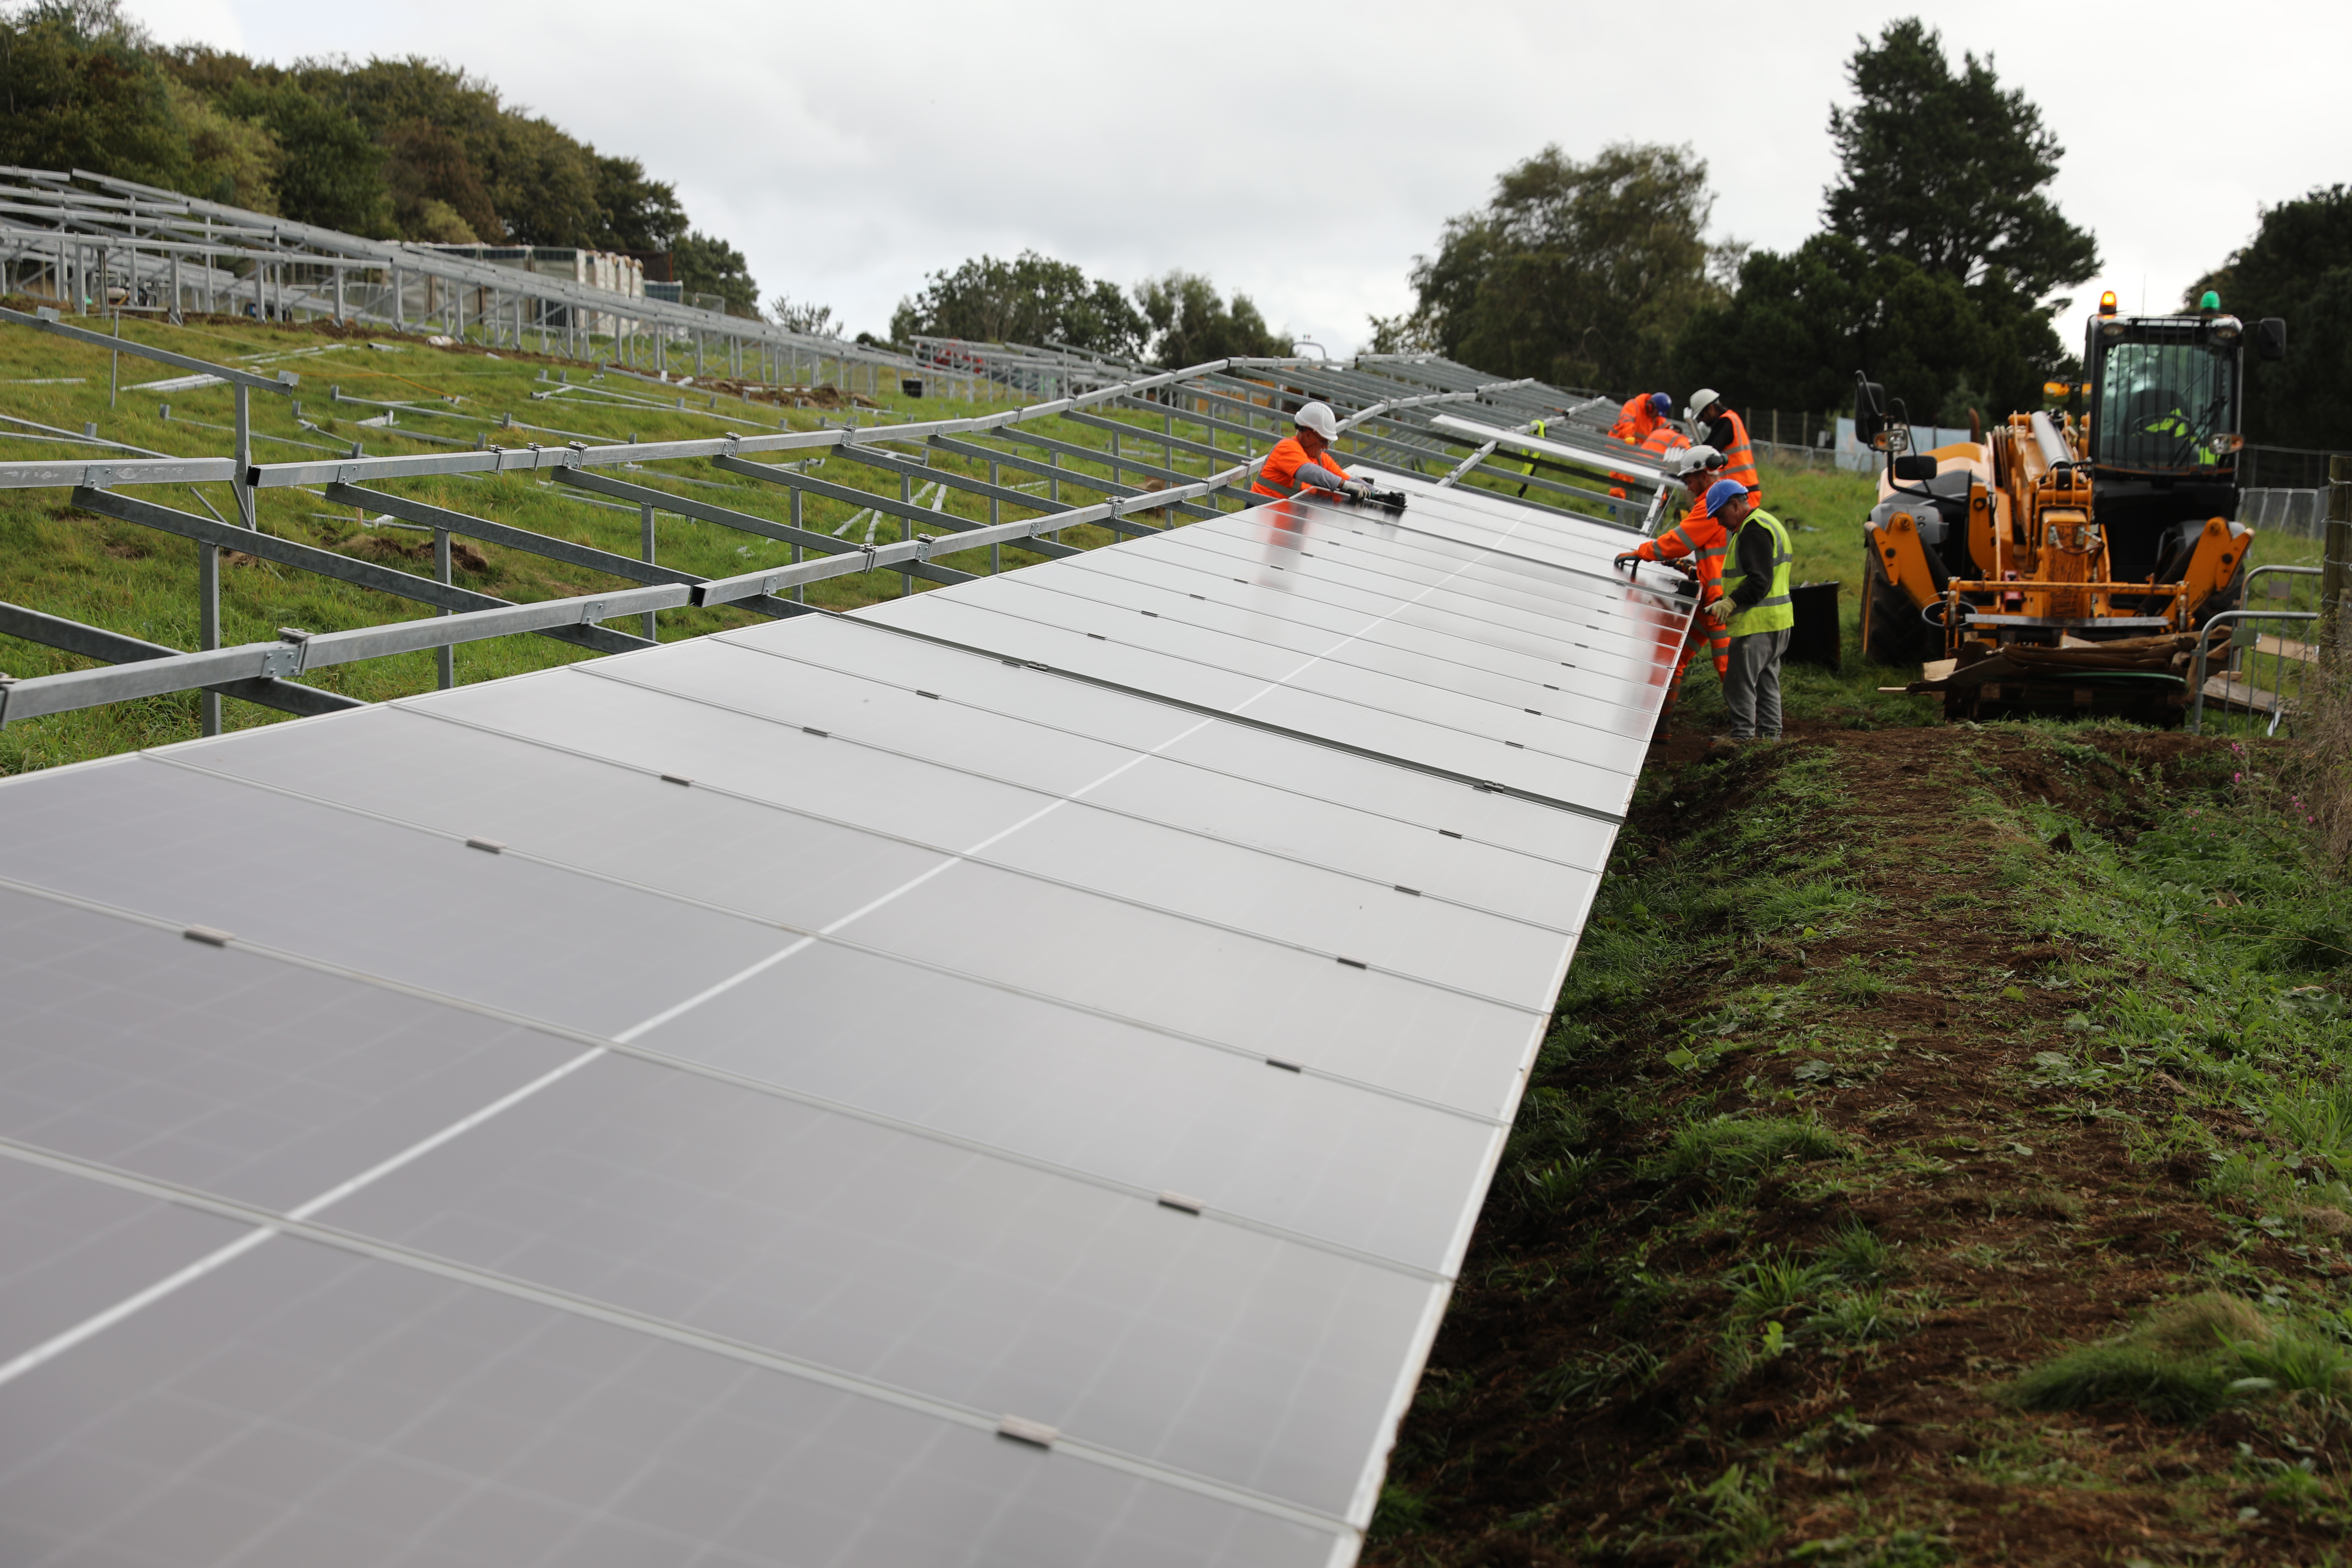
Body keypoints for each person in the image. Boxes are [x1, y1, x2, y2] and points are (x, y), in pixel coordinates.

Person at [1612, 448, 1733, 729]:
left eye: (1690, 480)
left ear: (1704, 474)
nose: (1688, 487)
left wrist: (1642, 552)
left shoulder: (1712, 502)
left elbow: (1679, 541)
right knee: (1673, 659)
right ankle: (1659, 727)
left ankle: (1750, 734)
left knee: (1730, 669)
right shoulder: (1724, 497)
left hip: (1721, 603)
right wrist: (1689, 569)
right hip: (1710, 597)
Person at [1702, 479, 1795, 744]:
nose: (1720, 522)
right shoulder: (1766, 522)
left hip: (1757, 624)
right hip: (1778, 622)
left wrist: (1730, 603)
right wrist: (1725, 599)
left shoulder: (1752, 531)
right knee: (1767, 683)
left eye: (1720, 515)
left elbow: (1759, 582)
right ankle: (1769, 741)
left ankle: (1742, 739)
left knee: (1738, 682)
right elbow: (1761, 578)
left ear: (1735, 504)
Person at [1252, 401, 1374, 503]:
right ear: (1309, 435)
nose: (1326, 447)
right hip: (1259, 514)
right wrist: (1344, 485)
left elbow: (1350, 480)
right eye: (1324, 442)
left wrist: (1379, 494)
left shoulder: (1321, 459)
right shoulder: (1287, 448)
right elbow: (1309, 472)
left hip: (1282, 517)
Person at [1683, 388, 1760, 503]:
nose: (1702, 420)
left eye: (1702, 415)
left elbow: (1707, 452)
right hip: (1742, 489)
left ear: (1711, 408)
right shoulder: (1730, 419)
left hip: (1742, 491)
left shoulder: (1725, 422)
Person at [1606, 392, 1675, 498]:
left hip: (1635, 449)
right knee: (1619, 475)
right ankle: (1616, 503)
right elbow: (1627, 421)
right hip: (1621, 444)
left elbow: (1663, 426)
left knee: (1629, 476)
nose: (1656, 416)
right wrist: (1629, 435)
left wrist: (1673, 430)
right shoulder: (1634, 405)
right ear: (1651, 406)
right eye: (1656, 413)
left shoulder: (1655, 417)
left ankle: (1622, 501)